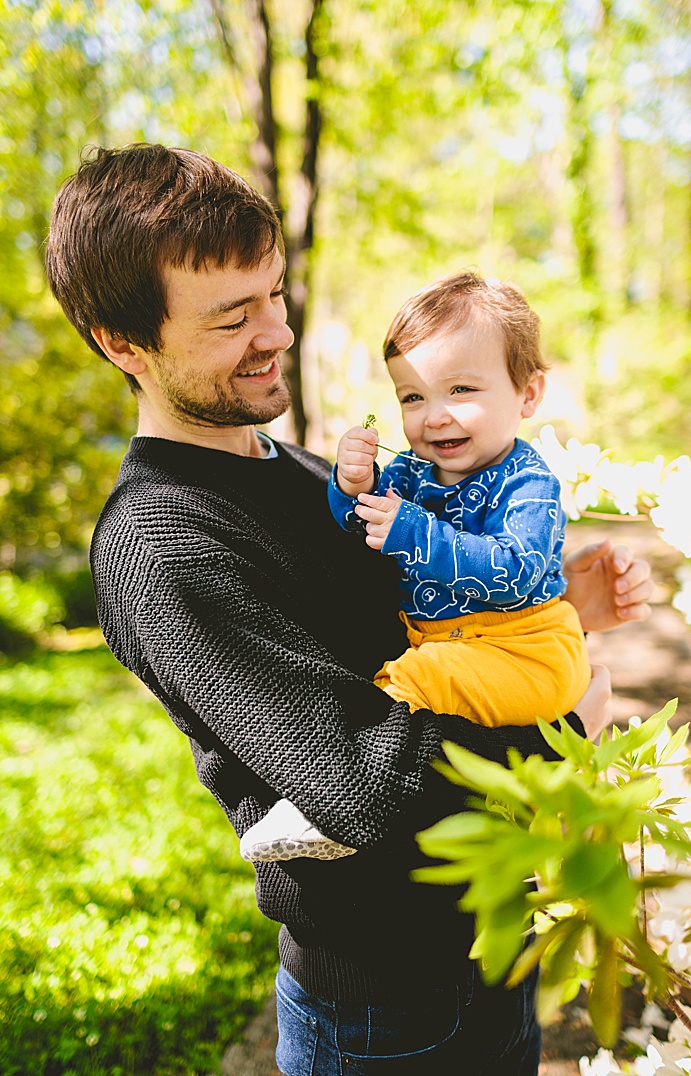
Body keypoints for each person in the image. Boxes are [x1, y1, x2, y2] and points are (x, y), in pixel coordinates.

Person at [46, 143, 652, 1076]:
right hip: (381, 1010)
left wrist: (560, 610)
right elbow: (371, 781)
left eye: (275, 296)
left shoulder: (292, 469)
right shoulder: (163, 547)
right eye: (232, 317)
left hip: (486, 945)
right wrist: (567, 731)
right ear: (122, 344)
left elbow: (392, 626)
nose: (277, 335)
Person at [240, 271, 591, 863]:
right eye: (412, 397)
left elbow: (517, 571)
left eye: (461, 391)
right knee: (423, 679)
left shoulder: (530, 483)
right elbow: (358, 530)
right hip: (447, 644)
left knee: (421, 679)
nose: (435, 417)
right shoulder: (411, 475)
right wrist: (351, 486)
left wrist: (415, 532)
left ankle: (329, 803)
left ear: (527, 395)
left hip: (526, 648)